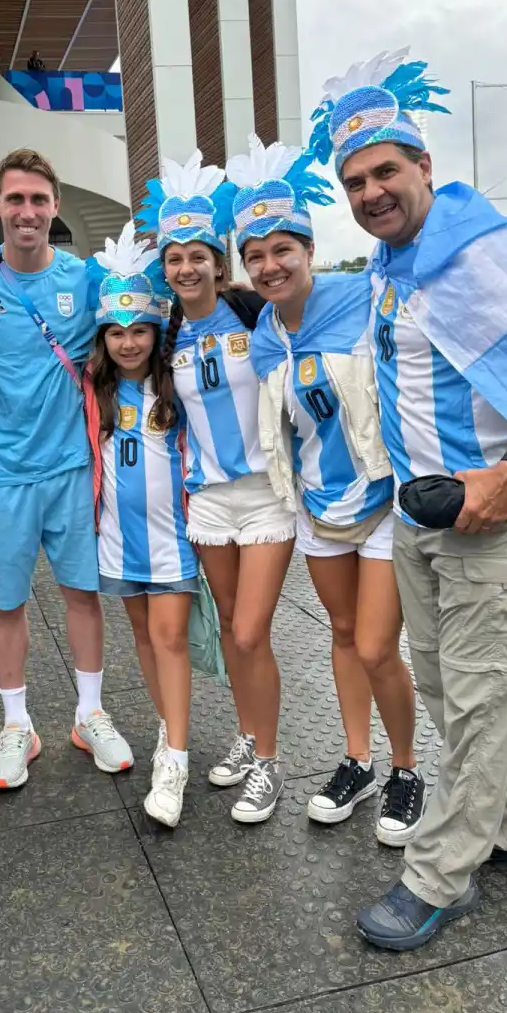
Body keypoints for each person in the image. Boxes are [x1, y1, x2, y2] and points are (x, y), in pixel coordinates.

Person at [311, 47, 507, 949]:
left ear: (424, 165)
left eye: (386, 171)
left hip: (492, 521)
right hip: (421, 518)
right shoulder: (391, 266)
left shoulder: (483, 252)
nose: (372, 192)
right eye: (355, 181)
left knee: (480, 698)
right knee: (448, 690)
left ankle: (439, 877)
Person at [226, 134, 424, 844]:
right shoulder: (264, 333)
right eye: (255, 256)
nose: (270, 266)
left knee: (375, 645)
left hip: (384, 500)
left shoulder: (361, 298)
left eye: (283, 249)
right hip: (317, 504)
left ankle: (406, 768)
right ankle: (358, 759)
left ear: (309, 250)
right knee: (342, 634)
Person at [0, 149, 133, 790]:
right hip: (2, 471)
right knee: (6, 603)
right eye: (16, 199)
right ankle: (16, 726)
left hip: (73, 467)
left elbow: (146, 321)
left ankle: (90, 714)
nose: (27, 212)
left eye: (38, 200)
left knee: (83, 594)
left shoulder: (85, 278)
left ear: (54, 206)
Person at [135, 152, 294, 824]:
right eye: (174, 259)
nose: (186, 268)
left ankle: (271, 761)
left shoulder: (254, 315)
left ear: (219, 265)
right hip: (208, 503)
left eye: (197, 256)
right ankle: (249, 735)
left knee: (252, 631)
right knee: (230, 627)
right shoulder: (166, 336)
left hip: (266, 496)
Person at [84, 222, 198, 828]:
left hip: (172, 540)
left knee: (170, 637)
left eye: (139, 331)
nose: (128, 343)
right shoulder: (93, 389)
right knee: (145, 639)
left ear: (157, 331)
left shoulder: (176, 384)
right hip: (118, 545)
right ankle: (167, 724)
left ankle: (174, 760)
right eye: (116, 332)